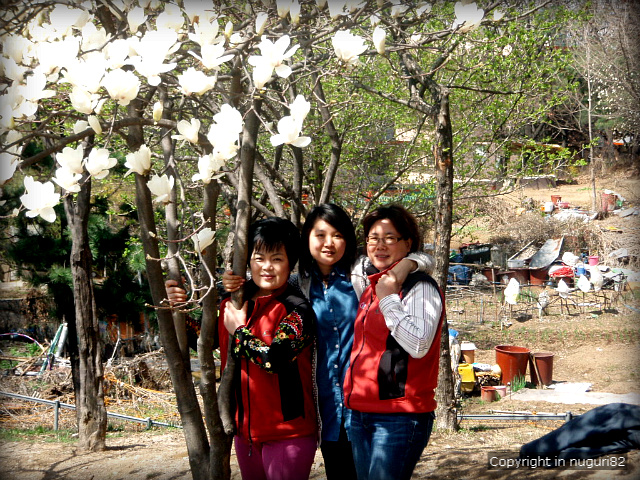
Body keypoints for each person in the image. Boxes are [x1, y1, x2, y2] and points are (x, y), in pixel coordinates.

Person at [220, 204, 433, 480]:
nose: (328, 243)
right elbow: (265, 276)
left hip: (365, 404)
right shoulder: (300, 285)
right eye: (319, 235)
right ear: (307, 238)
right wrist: (229, 281)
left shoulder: (362, 274)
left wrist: (409, 263)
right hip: (327, 410)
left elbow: (420, 257)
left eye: (337, 235)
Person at [173, 217, 318, 480]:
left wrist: (239, 331)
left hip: (288, 433)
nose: (267, 267)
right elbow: (203, 342)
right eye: (259, 257)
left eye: (277, 259)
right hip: (245, 435)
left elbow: (276, 359)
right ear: (247, 260)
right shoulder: (232, 301)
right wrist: (179, 308)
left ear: (291, 263)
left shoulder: (298, 310)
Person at [342, 204, 444, 480]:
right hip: (360, 414)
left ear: (407, 242)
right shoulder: (369, 283)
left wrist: (388, 297)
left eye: (390, 237)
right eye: (373, 238)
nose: (380, 245)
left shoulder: (419, 287)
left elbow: (419, 344)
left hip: (399, 416)